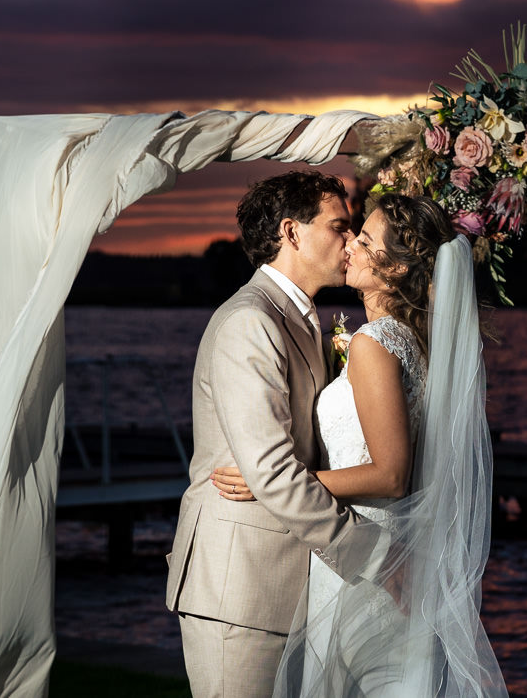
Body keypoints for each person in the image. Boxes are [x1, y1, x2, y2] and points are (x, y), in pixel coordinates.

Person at [210, 193, 508, 697]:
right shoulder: (405, 340)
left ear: (392, 267)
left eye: (365, 240)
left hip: (372, 559)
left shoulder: (375, 343)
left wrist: (273, 485)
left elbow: (391, 473)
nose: (349, 245)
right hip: (371, 550)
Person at [166, 170, 385, 698]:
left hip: (283, 584)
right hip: (239, 589)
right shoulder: (250, 320)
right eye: (339, 227)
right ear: (291, 232)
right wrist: (373, 555)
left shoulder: (301, 317)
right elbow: (273, 471)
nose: (350, 240)